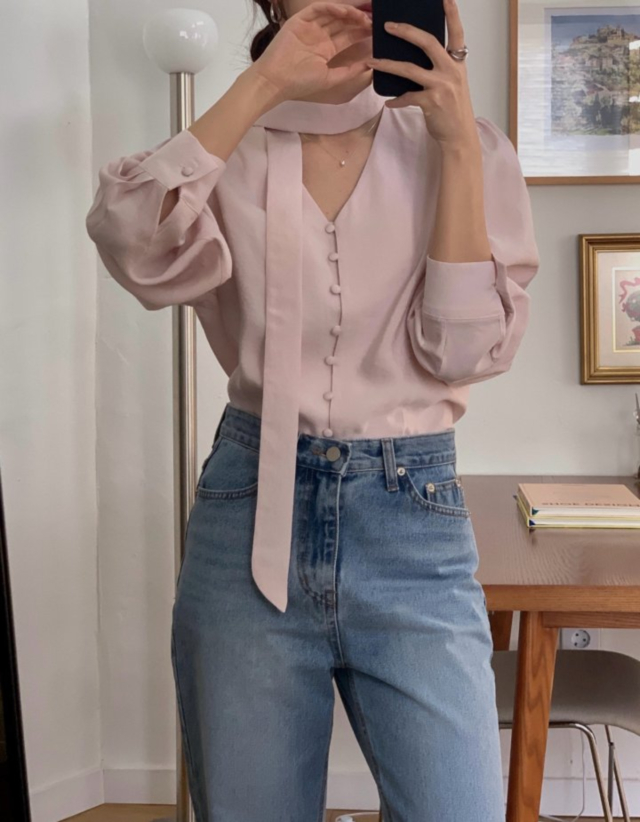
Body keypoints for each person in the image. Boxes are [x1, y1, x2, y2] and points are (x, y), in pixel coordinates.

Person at [85, 1, 540, 819]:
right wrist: (260, 87)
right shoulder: (229, 148)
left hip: (413, 524)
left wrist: (456, 143)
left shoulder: (460, 147)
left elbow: (462, 352)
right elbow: (133, 247)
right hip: (249, 512)